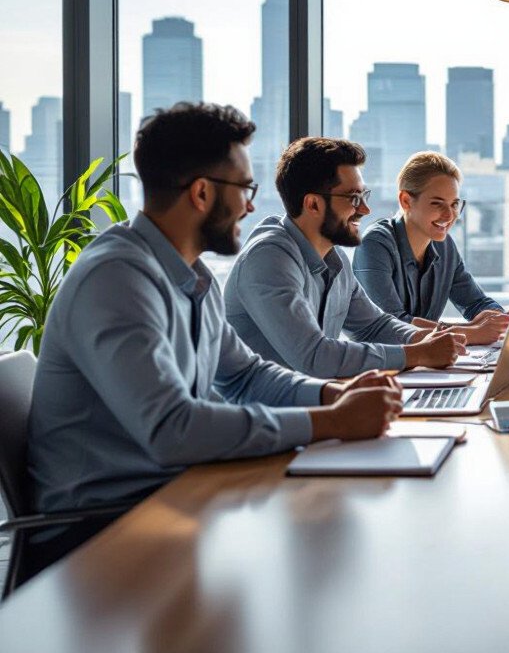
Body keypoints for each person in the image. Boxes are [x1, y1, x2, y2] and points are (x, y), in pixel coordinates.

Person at [25, 104, 402, 578]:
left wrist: (334, 394)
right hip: (98, 537)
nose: (250, 205)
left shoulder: (191, 275)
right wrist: (329, 421)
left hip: (171, 498)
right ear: (201, 193)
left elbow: (244, 374)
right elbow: (172, 430)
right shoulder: (117, 280)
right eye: (245, 188)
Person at [224, 138, 466, 378]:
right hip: (262, 412)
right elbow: (314, 357)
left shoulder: (335, 258)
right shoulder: (268, 259)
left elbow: (374, 325)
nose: (365, 210)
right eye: (353, 198)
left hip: (311, 403)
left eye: (364, 196)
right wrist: (417, 354)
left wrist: (426, 339)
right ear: (313, 204)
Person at [353, 152, 509, 346]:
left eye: (454, 204)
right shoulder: (375, 244)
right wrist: (470, 333)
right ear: (406, 201)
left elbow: (475, 303)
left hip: (425, 364)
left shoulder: (444, 246)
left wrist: (501, 319)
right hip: (380, 366)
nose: (449, 215)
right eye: (437, 203)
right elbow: (391, 324)